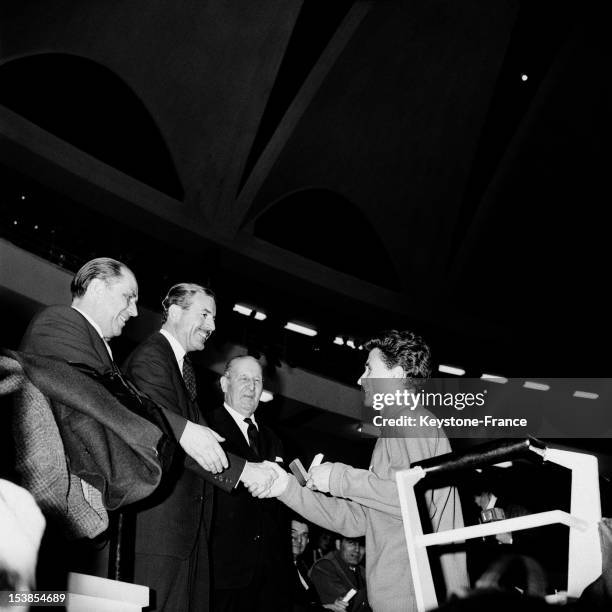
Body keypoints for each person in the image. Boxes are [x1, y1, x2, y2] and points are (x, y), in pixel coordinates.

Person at [264, 330, 469, 612]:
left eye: (369, 368)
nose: (361, 379)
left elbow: (410, 500)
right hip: (403, 595)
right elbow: (358, 519)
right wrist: (287, 489)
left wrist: (338, 477)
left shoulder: (411, 421)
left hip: (415, 595)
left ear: (396, 375)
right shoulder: (396, 430)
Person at [123, 284, 277, 611]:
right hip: (160, 534)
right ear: (175, 312)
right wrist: (246, 470)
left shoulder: (180, 367)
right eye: (204, 314)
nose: (212, 326)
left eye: (214, 317)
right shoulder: (153, 358)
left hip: (183, 536)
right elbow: (180, 441)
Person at [205, 355, 290, 612]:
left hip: (267, 576)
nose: (251, 387)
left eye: (257, 380)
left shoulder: (273, 439)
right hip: (222, 572)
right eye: (243, 379)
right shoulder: (206, 427)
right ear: (224, 383)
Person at [290, 516, 347, 612]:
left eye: (304, 535)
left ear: (308, 540)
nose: (299, 540)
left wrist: (331, 607)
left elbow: (307, 605)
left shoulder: (301, 567)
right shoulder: (275, 569)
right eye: (293, 533)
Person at [310, 535, 371, 611]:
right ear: (338, 544)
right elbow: (346, 604)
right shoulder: (324, 567)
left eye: (362, 545)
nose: (357, 549)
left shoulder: (361, 569)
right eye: (351, 543)